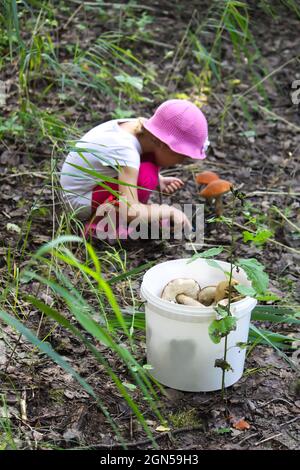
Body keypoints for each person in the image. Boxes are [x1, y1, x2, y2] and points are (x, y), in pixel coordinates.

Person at [60, 99, 209, 241]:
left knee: (150, 169)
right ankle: (99, 228)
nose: (181, 163)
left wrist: (159, 180)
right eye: (182, 157)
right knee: (146, 176)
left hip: (87, 189)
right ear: (165, 145)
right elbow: (130, 210)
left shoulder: (142, 130)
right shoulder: (126, 150)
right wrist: (167, 210)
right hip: (77, 202)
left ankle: (126, 218)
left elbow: (128, 161)